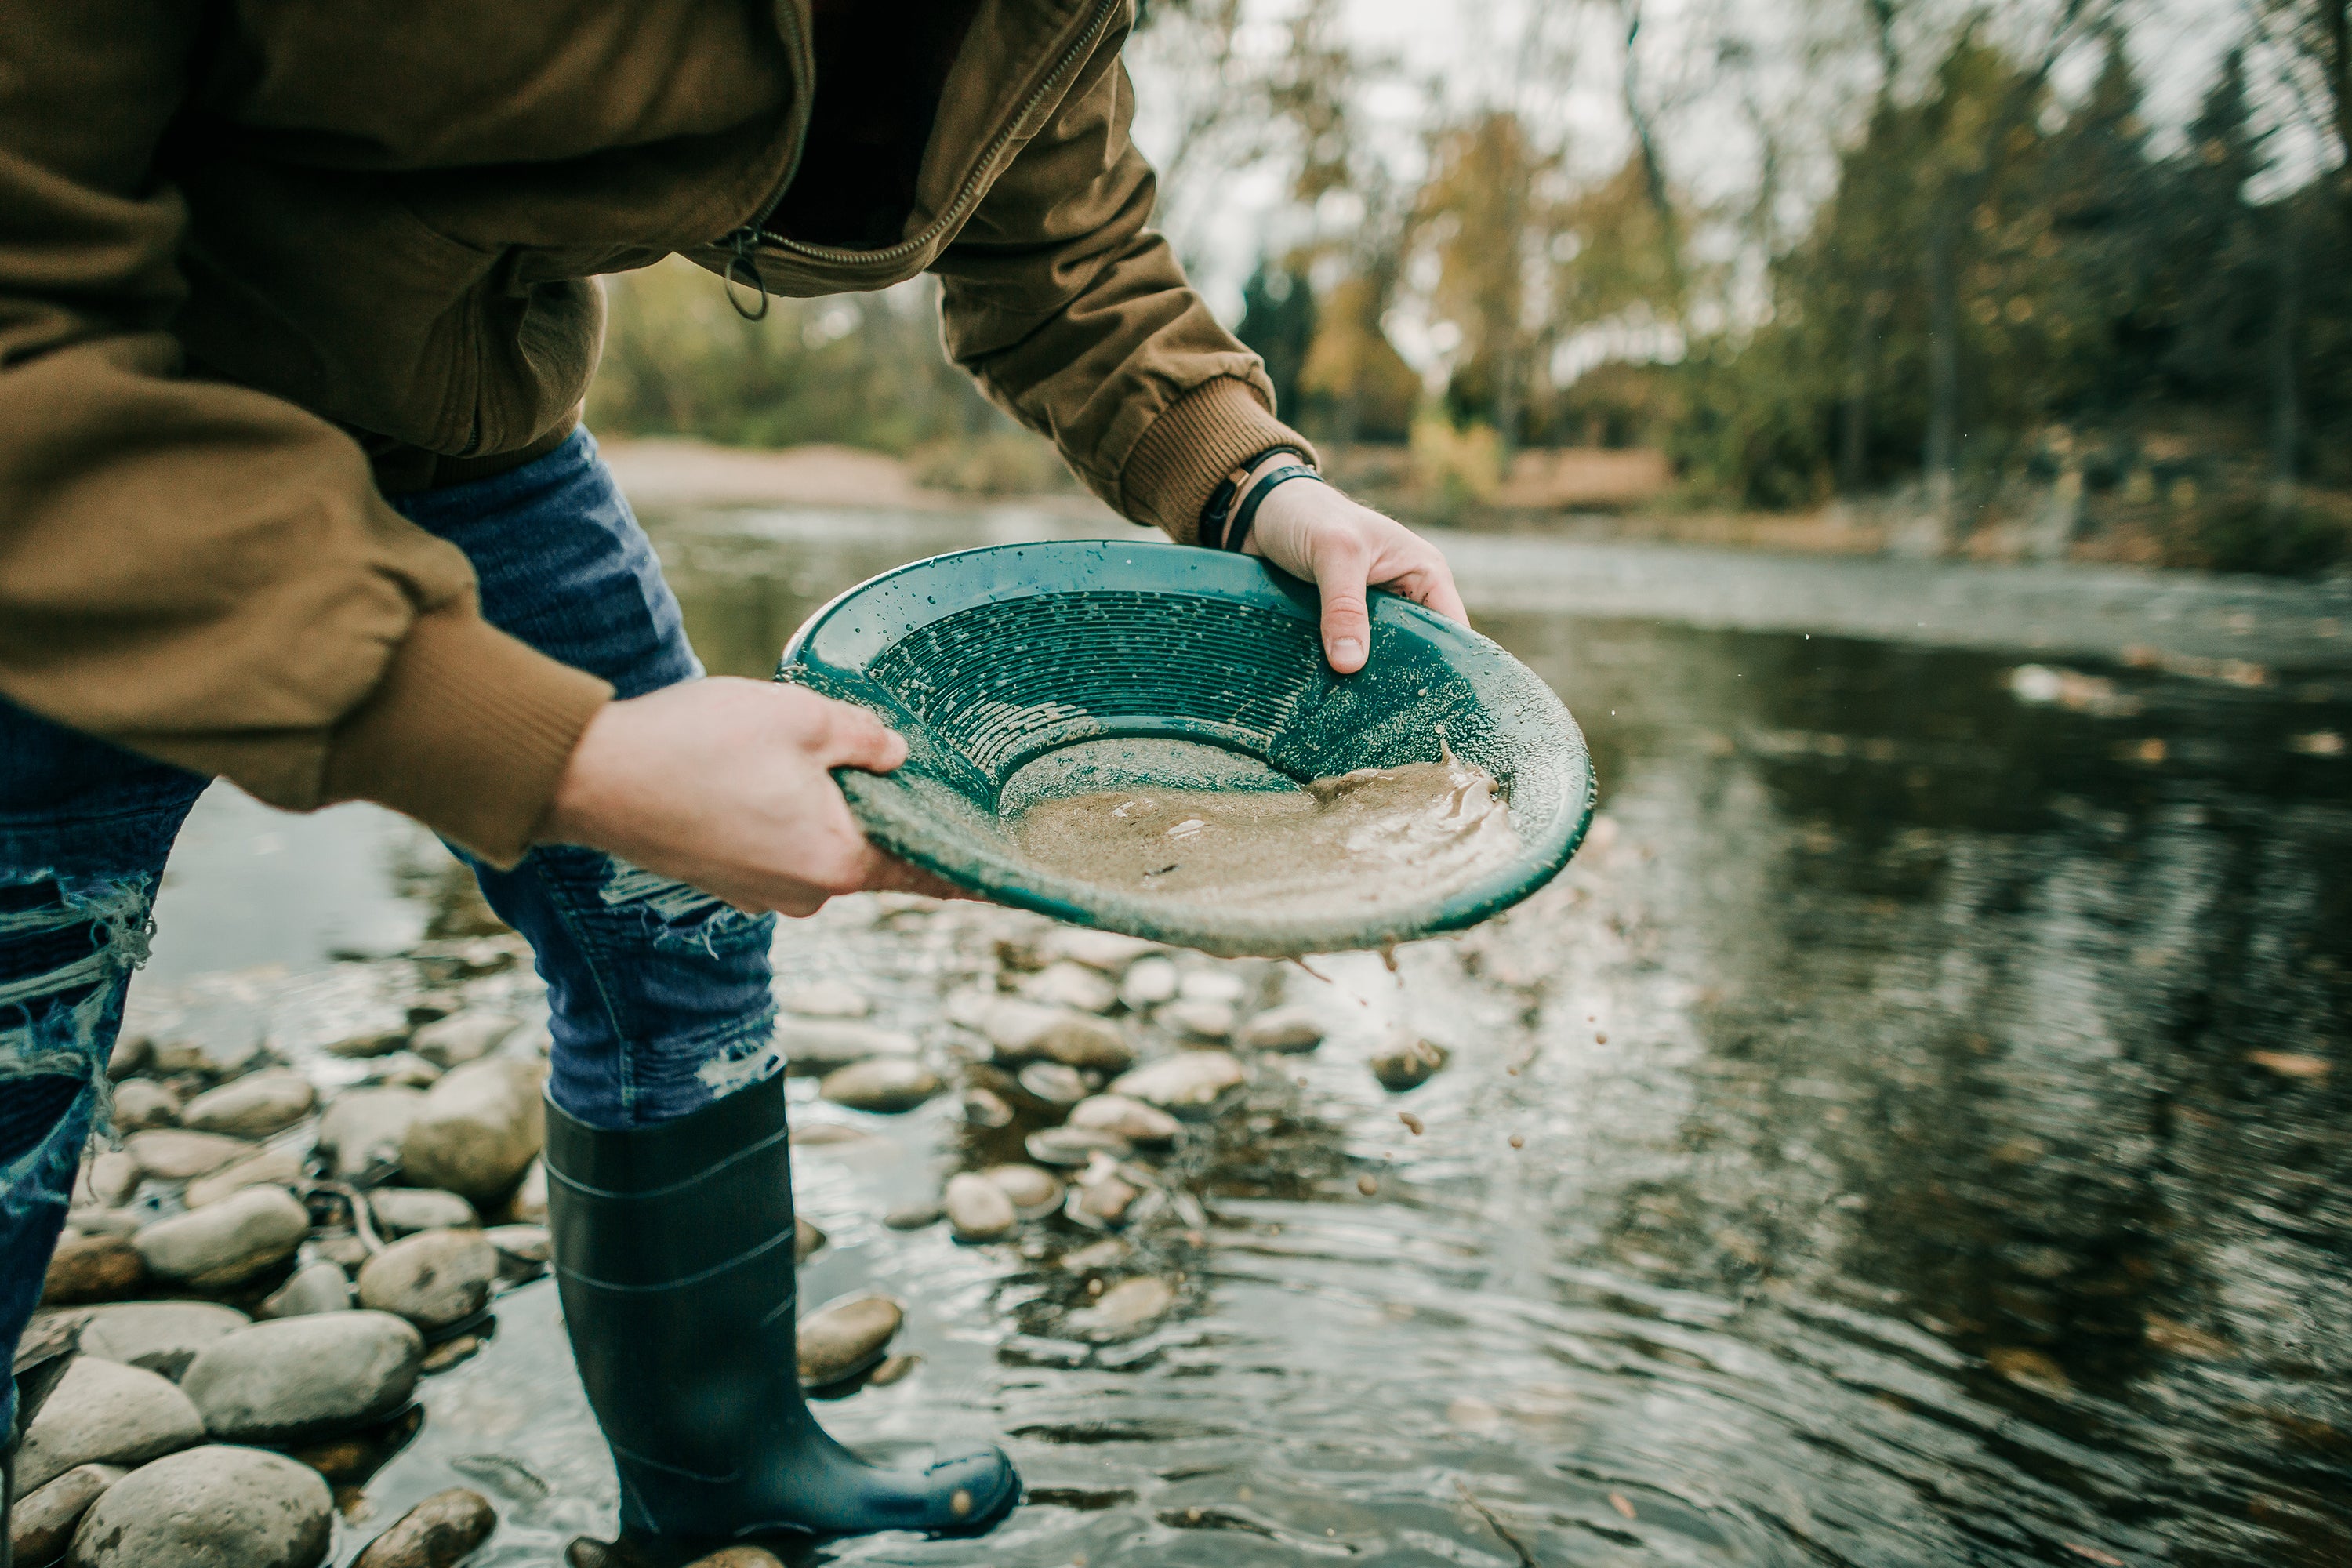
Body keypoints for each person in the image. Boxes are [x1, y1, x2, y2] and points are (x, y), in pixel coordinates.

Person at [0, 1, 1468, 1557]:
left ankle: (719, 1474)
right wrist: (563, 750)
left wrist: (1261, 482)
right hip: (97, 439)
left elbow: (1070, 259)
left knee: (681, 935)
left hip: (480, 439)